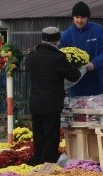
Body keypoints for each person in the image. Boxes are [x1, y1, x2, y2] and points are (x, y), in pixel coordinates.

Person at [25, 27, 82, 164]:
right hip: (51, 104)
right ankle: (47, 164)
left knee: (38, 135)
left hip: (35, 102)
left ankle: (37, 161)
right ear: (57, 40)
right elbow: (74, 76)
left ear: (43, 39)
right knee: (51, 136)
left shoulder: (31, 57)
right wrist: (77, 66)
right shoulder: (58, 58)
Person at [60, 1, 103, 97]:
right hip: (77, 89)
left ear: (88, 18)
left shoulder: (98, 30)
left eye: (83, 17)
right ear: (73, 17)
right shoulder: (66, 36)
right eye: (77, 17)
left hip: (100, 84)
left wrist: (94, 63)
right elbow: (60, 59)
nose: (80, 21)